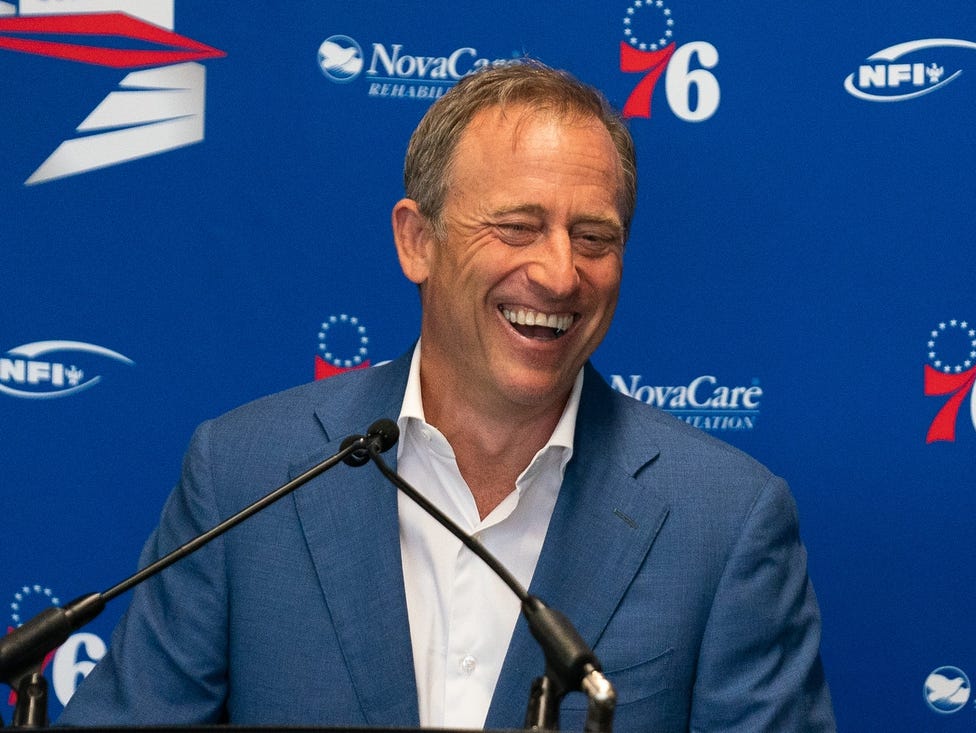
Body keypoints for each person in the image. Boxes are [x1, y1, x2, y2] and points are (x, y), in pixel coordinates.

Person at [58, 61, 835, 731]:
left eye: (594, 237)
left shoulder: (725, 519)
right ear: (416, 241)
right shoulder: (247, 471)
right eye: (518, 226)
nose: (561, 274)